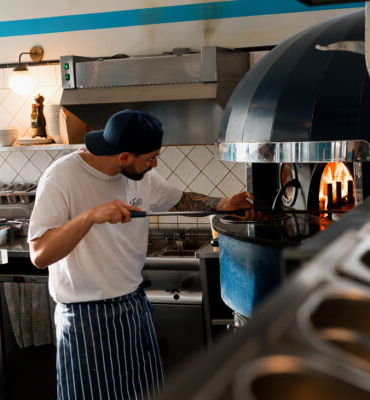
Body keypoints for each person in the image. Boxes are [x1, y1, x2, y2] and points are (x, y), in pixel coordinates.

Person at [28, 109, 256, 400]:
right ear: (124, 156)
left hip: (132, 309)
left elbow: (177, 200)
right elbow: (40, 254)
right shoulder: (62, 177)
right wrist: (90, 217)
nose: (155, 164)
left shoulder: (141, 176)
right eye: (150, 158)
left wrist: (222, 204)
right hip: (85, 319)